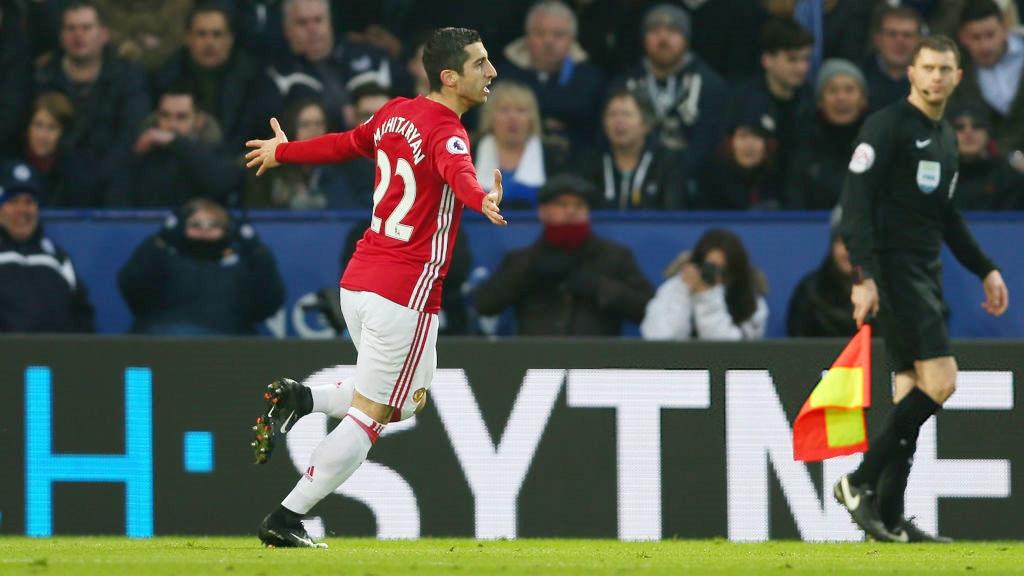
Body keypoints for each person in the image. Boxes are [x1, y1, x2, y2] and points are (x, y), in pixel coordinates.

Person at [243, 26, 506, 548]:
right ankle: (287, 517)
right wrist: (483, 200)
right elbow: (459, 172)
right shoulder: (449, 131)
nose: (491, 72)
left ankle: (303, 397)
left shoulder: (394, 113)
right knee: (373, 415)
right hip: (404, 294)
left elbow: (345, 144)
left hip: (360, 282)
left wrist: (287, 151)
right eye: (480, 64)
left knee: (408, 401)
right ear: (450, 77)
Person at [833, 35, 1010, 544]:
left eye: (945, 69)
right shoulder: (886, 129)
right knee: (943, 379)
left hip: (924, 272)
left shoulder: (946, 139)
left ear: (957, 77)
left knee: (911, 392)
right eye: (927, 68)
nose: (936, 77)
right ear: (910, 73)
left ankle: (887, 518)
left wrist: (986, 268)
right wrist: (863, 277)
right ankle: (858, 482)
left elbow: (946, 217)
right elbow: (856, 204)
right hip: (894, 271)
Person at [473, 174, 654, 336]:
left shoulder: (614, 257)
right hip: (536, 362)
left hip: (596, 364)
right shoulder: (523, 259)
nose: (571, 211)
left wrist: (600, 287)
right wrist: (529, 273)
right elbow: (484, 305)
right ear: (543, 212)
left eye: (579, 205)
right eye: (562, 204)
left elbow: (649, 310)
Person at [34, 0, 151, 207]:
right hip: (57, 181)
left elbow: (131, 133)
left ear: (104, 34)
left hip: (115, 181)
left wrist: (99, 175)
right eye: (71, 28)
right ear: (61, 36)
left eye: (86, 28)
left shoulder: (128, 77)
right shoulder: (43, 78)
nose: (78, 35)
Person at [118, 197, 285, 335]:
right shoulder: (164, 258)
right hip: (164, 347)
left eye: (214, 225)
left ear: (228, 230)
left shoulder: (240, 266)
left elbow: (269, 303)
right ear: (180, 228)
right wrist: (160, 241)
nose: (204, 230)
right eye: (196, 225)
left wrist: (256, 251)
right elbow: (132, 289)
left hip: (228, 352)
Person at [617, 4, 729, 181]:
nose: (663, 38)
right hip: (635, 181)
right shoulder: (624, 85)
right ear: (643, 39)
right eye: (654, 31)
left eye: (672, 31)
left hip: (695, 187)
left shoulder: (711, 86)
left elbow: (711, 143)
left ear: (686, 38)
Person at [152, 2, 283, 152]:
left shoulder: (255, 81)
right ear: (188, 38)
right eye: (201, 34)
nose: (209, 42)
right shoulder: (166, 78)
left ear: (230, 39)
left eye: (217, 34)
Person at [499, 0, 606, 161]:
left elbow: (589, 120)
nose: (548, 41)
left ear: (572, 40)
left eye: (558, 35)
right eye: (540, 33)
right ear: (527, 37)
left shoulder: (590, 77)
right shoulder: (502, 73)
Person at [0, 160, 94, 333]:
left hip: (55, 357)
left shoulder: (57, 258)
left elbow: (83, 315)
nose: (23, 210)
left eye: (29, 202)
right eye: (13, 201)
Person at [113, 85, 242, 207]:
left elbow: (224, 182)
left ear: (198, 121)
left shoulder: (215, 150)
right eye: (165, 115)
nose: (172, 124)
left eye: (181, 117)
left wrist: (176, 142)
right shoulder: (140, 150)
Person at [640, 228, 768, 341]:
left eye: (724, 272)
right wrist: (683, 291)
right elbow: (659, 339)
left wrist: (707, 296)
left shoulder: (752, 302)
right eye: (710, 268)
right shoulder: (675, 288)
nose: (716, 276)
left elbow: (731, 353)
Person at [577, 88, 689, 210]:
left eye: (626, 114)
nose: (618, 121)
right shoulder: (589, 162)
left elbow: (673, 211)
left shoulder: (667, 161)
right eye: (612, 114)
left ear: (646, 125)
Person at [785, 59, 870, 210]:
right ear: (820, 102)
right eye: (832, 90)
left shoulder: (879, 142)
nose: (841, 98)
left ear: (863, 100)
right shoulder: (802, 143)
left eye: (849, 90)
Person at [954, 0, 1024, 157]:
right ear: (963, 37)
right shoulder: (958, 73)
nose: (985, 45)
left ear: (1005, 29)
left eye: (990, 35)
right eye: (976, 37)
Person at [473, 81, 548, 208]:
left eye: (521, 110)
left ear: (532, 118)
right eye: (504, 110)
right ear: (490, 117)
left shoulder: (553, 155)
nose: (512, 117)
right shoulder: (469, 152)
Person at [786, 208, 857, 337]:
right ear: (832, 246)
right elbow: (796, 347)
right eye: (841, 242)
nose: (848, 252)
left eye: (856, 243)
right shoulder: (809, 291)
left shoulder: (882, 294)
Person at [948, 104, 1024, 209]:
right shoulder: (938, 176)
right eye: (959, 127)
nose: (968, 132)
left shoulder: (1008, 177)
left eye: (977, 126)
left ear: (988, 133)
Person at [863, 6, 920, 114]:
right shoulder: (859, 76)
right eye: (892, 34)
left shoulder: (931, 79)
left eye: (907, 35)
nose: (899, 41)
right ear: (877, 39)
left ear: (919, 41)